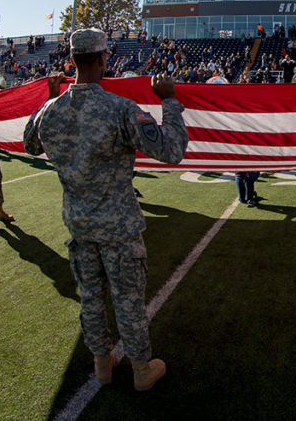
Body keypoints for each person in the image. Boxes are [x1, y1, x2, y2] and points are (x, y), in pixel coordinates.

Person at [24, 29, 188, 391]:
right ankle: (141, 370)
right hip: (118, 229)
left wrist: (48, 99)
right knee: (127, 300)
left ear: (71, 61)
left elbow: (29, 143)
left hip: (79, 227)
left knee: (91, 299)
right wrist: (170, 101)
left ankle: (102, 364)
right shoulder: (119, 109)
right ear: (102, 59)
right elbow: (172, 150)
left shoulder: (51, 112)